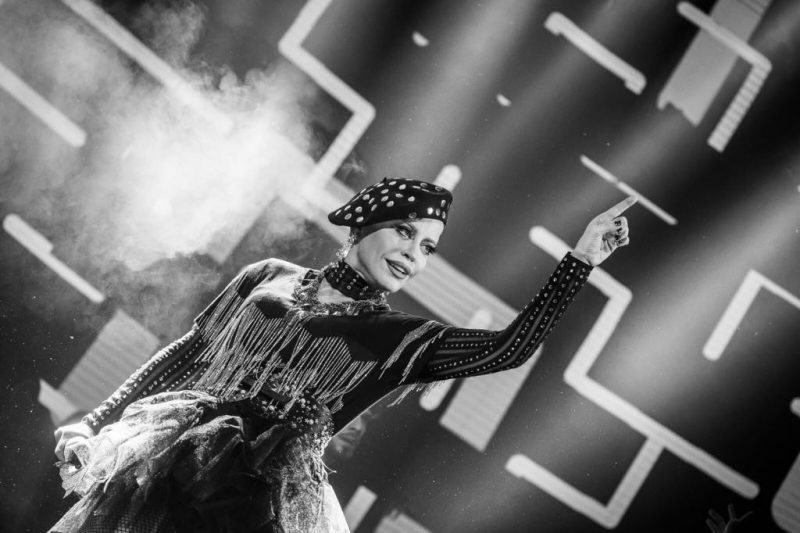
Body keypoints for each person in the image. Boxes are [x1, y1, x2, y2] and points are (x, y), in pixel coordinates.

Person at [50, 177, 636, 532]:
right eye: (405, 231)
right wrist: (96, 421)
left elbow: (509, 348)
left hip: (255, 507)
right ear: (364, 224)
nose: (414, 254)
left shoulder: (400, 338)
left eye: (428, 247)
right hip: (165, 468)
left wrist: (578, 262)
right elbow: (187, 353)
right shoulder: (268, 276)